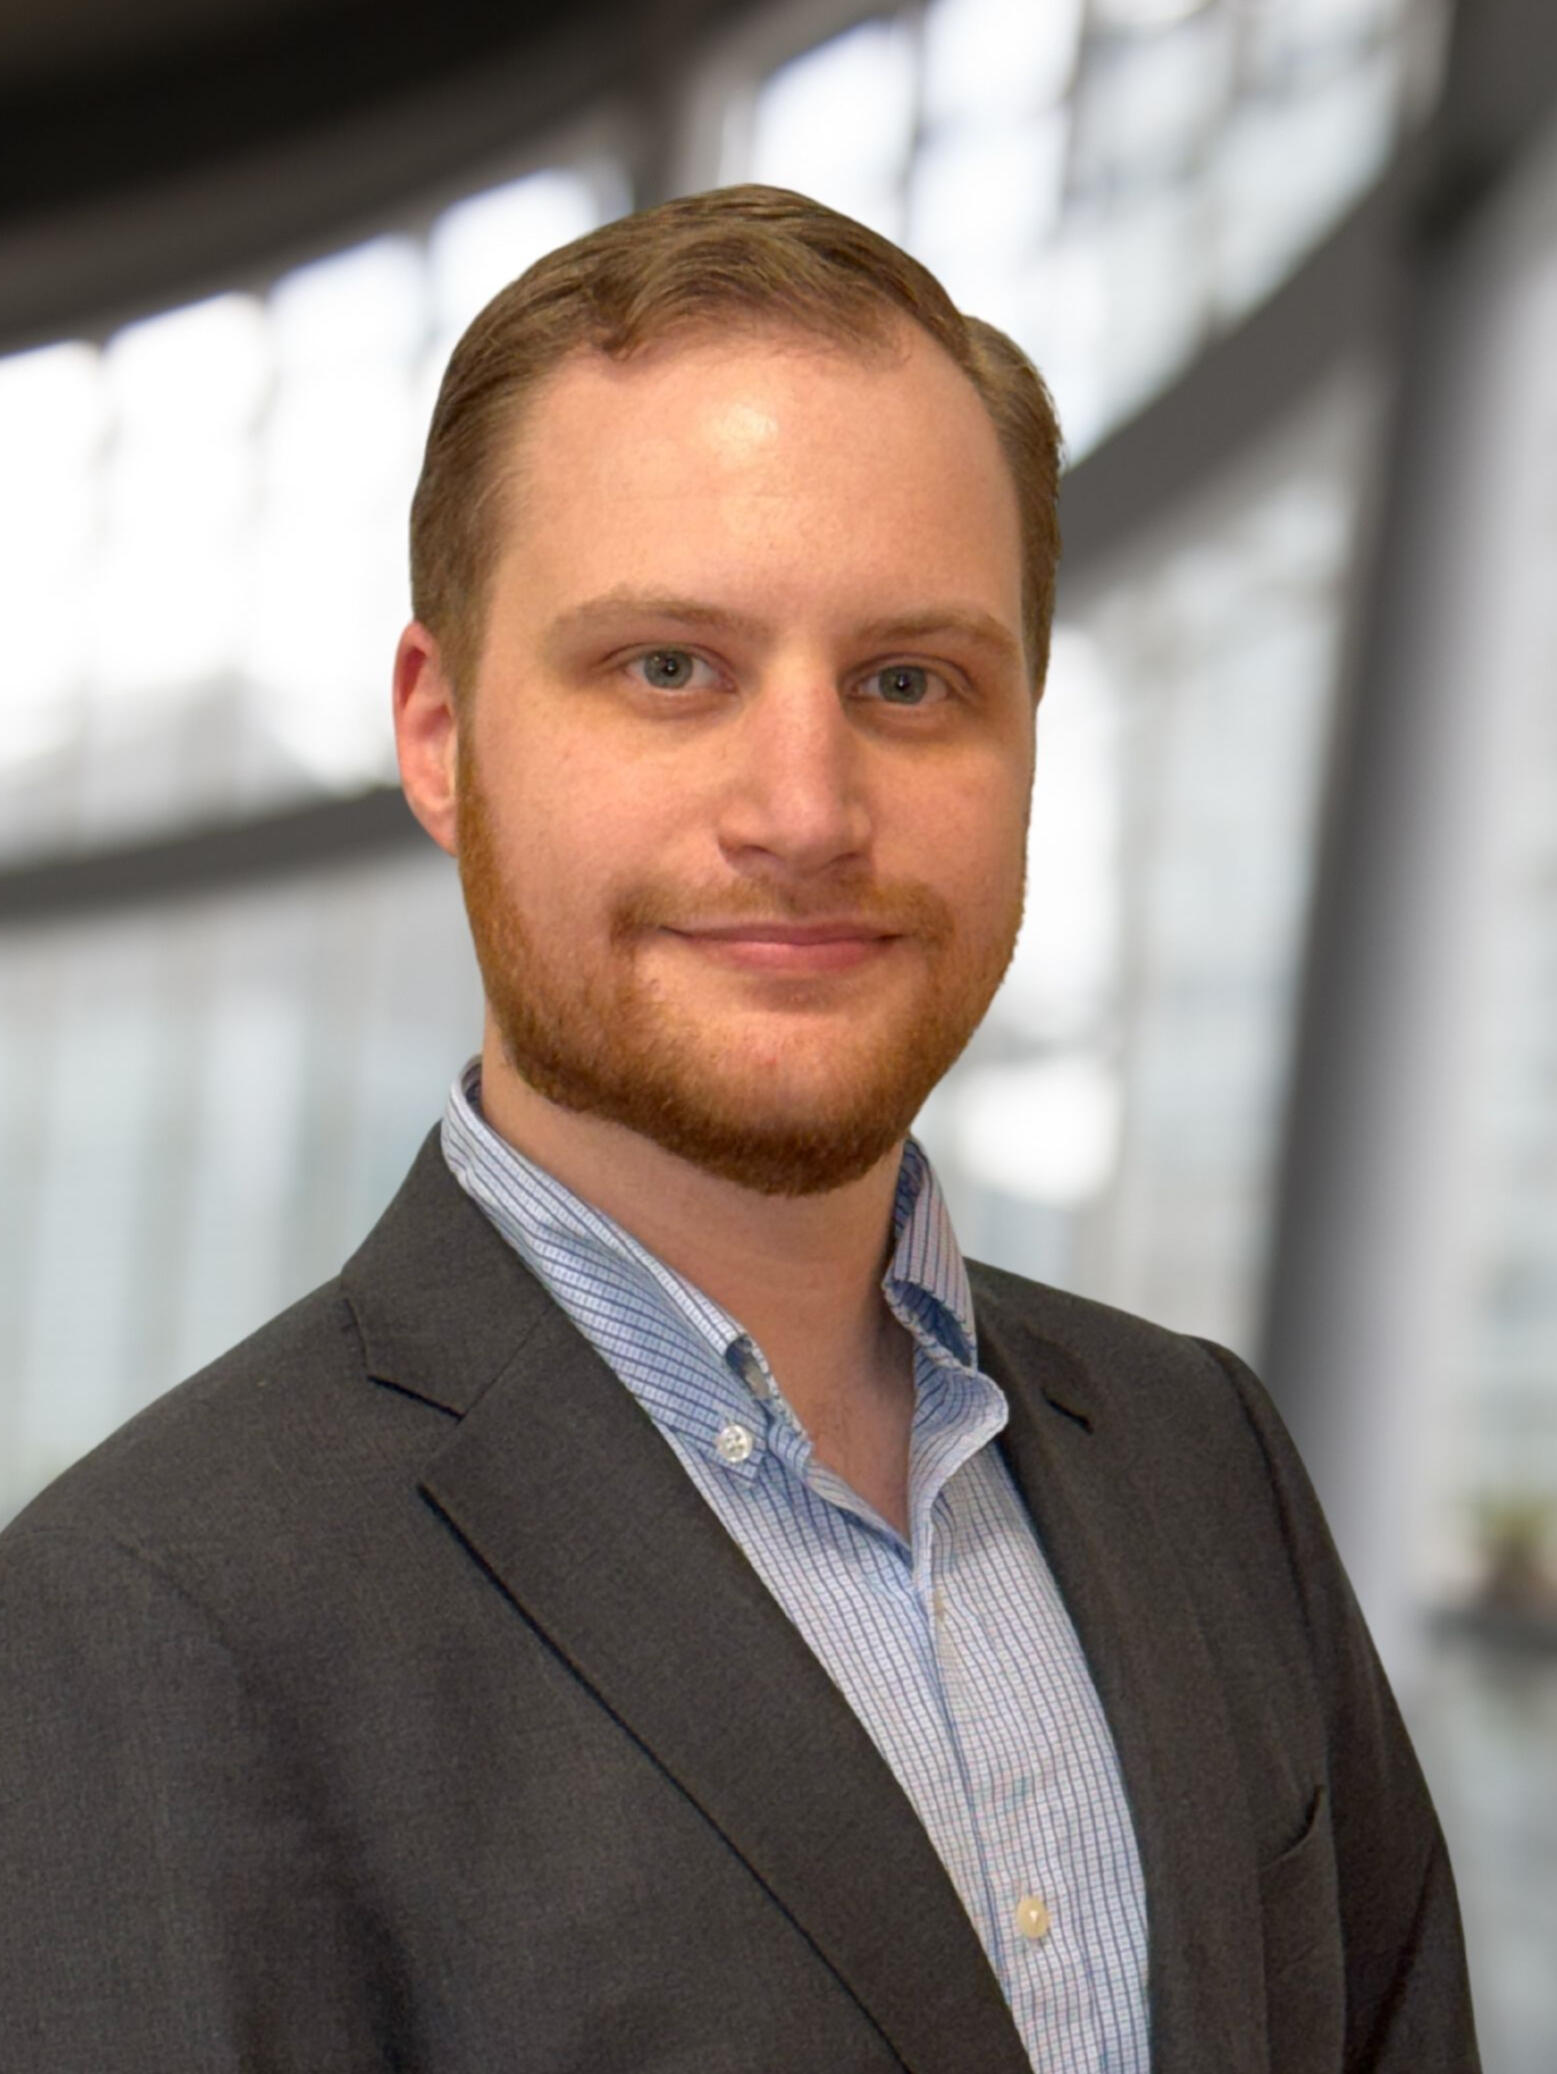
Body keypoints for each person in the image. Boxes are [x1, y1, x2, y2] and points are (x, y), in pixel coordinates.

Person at [0, 186, 1477, 2074]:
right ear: (440, 735)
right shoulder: (144, 1621)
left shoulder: (1208, 1461)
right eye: (668, 668)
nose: (804, 808)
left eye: (907, 681)